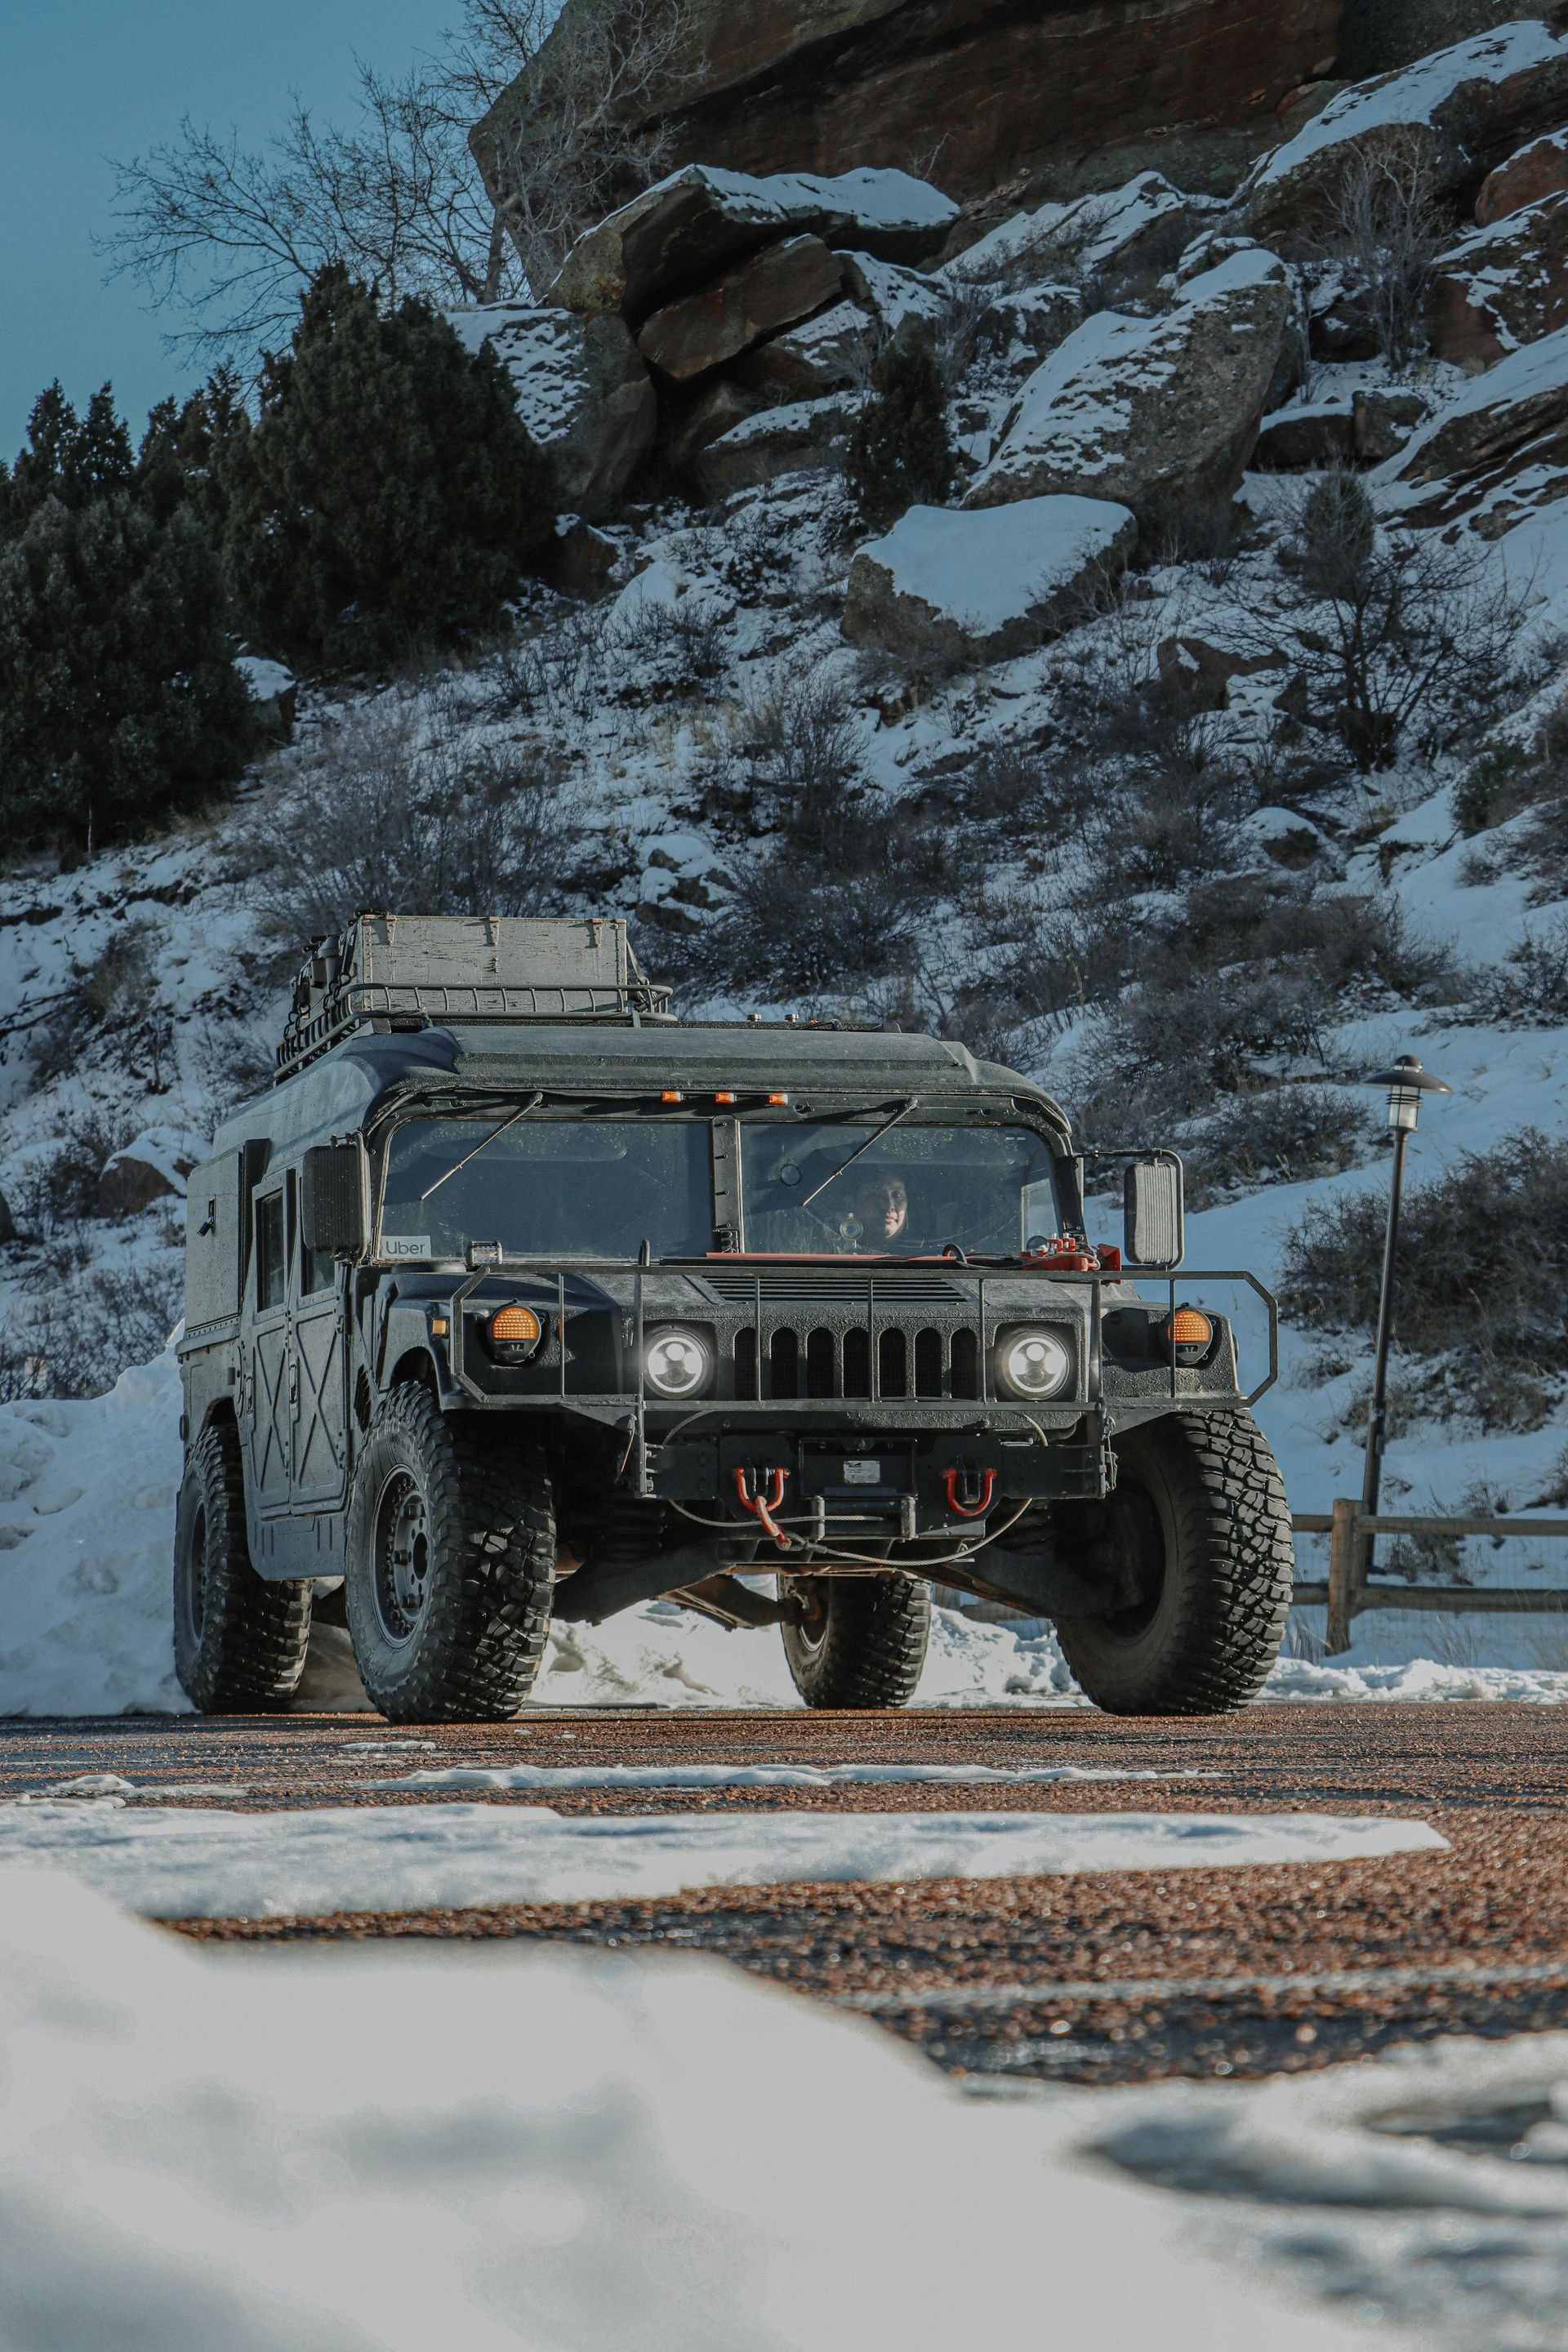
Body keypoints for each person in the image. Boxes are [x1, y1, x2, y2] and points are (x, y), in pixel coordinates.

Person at [837, 1173, 911, 1251]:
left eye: (897, 1195)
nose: (888, 1206)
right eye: (875, 1194)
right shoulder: (827, 1252)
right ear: (850, 1204)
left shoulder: (922, 1257)